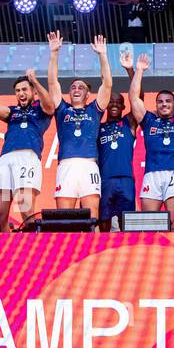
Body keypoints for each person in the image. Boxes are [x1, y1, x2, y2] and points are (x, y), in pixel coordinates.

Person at [131, 45, 174, 229]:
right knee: (149, 223)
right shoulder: (149, 121)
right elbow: (133, 99)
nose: (164, 104)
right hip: (151, 175)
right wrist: (139, 71)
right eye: (160, 102)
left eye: (168, 101)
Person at [48, 31, 112, 222]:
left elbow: (107, 85)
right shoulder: (62, 109)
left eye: (81, 87)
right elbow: (52, 82)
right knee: (63, 220)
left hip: (88, 166)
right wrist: (54, 54)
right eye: (73, 87)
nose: (76, 89)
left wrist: (102, 55)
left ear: (88, 94)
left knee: (93, 218)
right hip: (66, 166)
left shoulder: (95, 109)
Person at [0, 66, 54, 231]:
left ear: (33, 92)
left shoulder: (41, 109)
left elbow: (50, 104)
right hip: (5, 160)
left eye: (25, 89)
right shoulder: (12, 112)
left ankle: (33, 248)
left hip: (27, 158)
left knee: (25, 208)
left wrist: (34, 81)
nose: (21, 93)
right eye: (17, 90)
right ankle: (3, 249)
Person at [98, 65, 139, 232]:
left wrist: (131, 71)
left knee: (127, 224)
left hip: (125, 180)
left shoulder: (128, 123)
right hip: (104, 179)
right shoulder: (97, 127)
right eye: (111, 102)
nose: (114, 105)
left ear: (123, 107)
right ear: (106, 105)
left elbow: (138, 97)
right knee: (104, 222)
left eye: (118, 102)